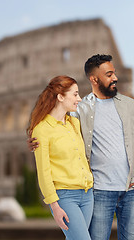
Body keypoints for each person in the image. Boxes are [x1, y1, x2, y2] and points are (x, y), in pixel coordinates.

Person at [28, 54, 134, 240]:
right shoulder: (73, 114)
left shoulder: (75, 122)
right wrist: (34, 139)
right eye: (109, 74)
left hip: (105, 191)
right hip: (84, 192)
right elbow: (44, 166)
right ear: (94, 79)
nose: (115, 78)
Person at [28, 76, 93, 239]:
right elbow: (43, 172)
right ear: (60, 96)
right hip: (65, 196)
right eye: (75, 94)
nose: (79, 99)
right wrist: (54, 206)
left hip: (87, 194)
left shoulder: (74, 123)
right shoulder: (41, 130)